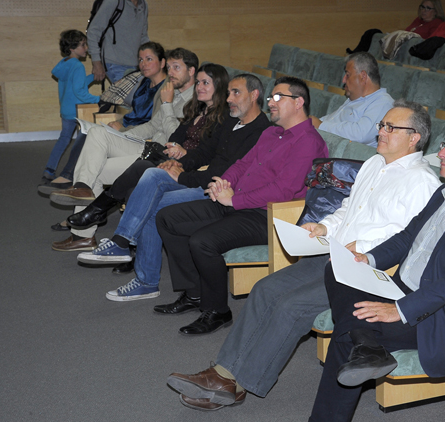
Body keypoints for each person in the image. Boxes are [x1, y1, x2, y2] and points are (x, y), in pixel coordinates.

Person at [164, 100, 442, 412]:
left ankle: (239, 383)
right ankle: (224, 373)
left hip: (364, 271)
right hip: (333, 255)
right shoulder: (374, 164)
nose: (382, 131)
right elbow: (348, 209)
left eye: (391, 127)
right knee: (264, 289)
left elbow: (409, 239)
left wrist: (361, 247)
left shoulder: (422, 182)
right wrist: (324, 227)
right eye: (381, 125)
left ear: (414, 137)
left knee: (290, 306)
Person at [309, 121, 445, 422]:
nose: (441, 152)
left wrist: (401, 309)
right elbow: (408, 237)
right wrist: (368, 258)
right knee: (339, 267)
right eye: (444, 145)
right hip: (400, 286)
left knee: (348, 332)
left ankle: (360, 350)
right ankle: (368, 345)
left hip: (438, 313)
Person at [72, 74, 272, 303]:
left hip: (218, 191)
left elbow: (228, 173)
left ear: (254, 95)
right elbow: (205, 152)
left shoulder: (261, 131)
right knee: (152, 176)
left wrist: (184, 176)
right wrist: (179, 164)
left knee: (152, 196)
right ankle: (127, 250)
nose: (228, 99)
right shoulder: (230, 120)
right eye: (228, 93)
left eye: (236, 93)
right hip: (203, 178)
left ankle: (137, 267)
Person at [155, 76, 328, 336]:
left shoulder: (308, 141)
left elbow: (283, 190)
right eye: (270, 97)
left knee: (203, 242)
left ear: (298, 102)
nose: (270, 103)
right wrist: (223, 183)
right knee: (167, 218)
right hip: (238, 203)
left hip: (269, 216)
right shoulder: (271, 132)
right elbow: (242, 164)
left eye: (277, 97)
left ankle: (217, 311)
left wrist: (234, 200)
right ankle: (194, 294)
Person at [49, 48, 197, 252]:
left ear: (191, 71)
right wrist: (124, 135)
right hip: (147, 146)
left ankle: (81, 236)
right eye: (169, 67)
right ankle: (81, 187)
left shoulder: (195, 100)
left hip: (161, 156)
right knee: (98, 133)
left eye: (176, 68)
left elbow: (176, 137)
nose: (170, 73)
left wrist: (167, 104)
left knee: (96, 171)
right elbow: (153, 125)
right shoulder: (172, 91)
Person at [40, 41, 168, 198]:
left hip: (139, 137)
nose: (143, 64)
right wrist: (119, 122)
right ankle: (75, 183)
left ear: (162, 62)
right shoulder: (143, 82)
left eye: (149, 59)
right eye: (141, 60)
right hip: (126, 128)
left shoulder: (166, 89)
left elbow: (155, 125)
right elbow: (133, 110)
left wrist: (123, 129)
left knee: (92, 137)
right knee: (87, 131)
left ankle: (70, 178)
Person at [42, 30, 100, 190]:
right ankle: (72, 174)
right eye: (83, 45)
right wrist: (99, 99)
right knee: (81, 143)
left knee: (64, 140)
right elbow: (80, 92)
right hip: (78, 110)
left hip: (66, 110)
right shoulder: (78, 66)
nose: (86, 48)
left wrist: (93, 77)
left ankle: (49, 170)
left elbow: (76, 84)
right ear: (72, 48)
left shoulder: (64, 63)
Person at [310, 52, 393, 147]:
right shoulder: (354, 100)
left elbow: (361, 134)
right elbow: (330, 120)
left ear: (363, 76)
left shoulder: (383, 103)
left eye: (348, 75)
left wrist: (321, 125)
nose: (343, 80)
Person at [87, 0, 149, 83]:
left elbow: (143, 36)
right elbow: (93, 31)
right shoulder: (113, 1)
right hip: (114, 63)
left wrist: (152, 57)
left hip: (137, 64)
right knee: (127, 91)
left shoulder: (143, 5)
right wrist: (96, 62)